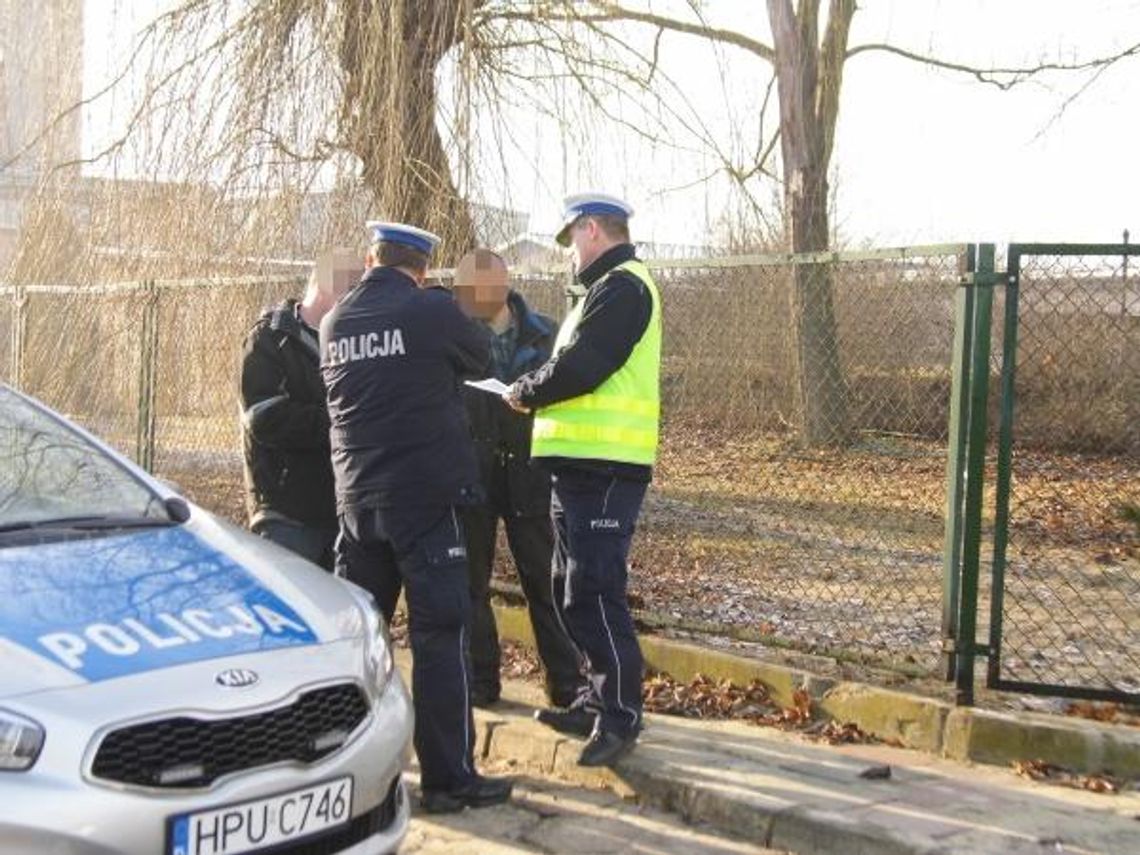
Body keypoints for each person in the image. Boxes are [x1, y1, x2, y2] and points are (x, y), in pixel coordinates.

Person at [320, 221, 512, 814]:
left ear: (372, 257)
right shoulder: (429, 312)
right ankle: (449, 779)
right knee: (438, 637)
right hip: (425, 503)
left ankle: (348, 775)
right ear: (422, 268)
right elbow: (482, 352)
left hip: (357, 506)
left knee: (357, 645)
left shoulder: (335, 323)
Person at [505, 192, 662, 768]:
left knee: (594, 591)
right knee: (571, 587)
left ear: (593, 230)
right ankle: (594, 701)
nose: (569, 251)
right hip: (579, 468)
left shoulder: (623, 287)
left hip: (605, 470)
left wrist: (525, 389)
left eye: (572, 238)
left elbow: (586, 365)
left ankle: (620, 716)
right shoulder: (604, 289)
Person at [452, 248, 583, 710]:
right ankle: (482, 681)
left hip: (531, 471)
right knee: (472, 584)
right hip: (475, 472)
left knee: (545, 582)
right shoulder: (457, 337)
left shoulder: (545, 333)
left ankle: (566, 683)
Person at [239, 249, 360, 570]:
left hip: (340, 506)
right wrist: (342, 422)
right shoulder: (270, 338)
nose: (357, 301)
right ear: (325, 286)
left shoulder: (351, 343)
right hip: (286, 511)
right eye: (351, 290)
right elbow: (265, 418)